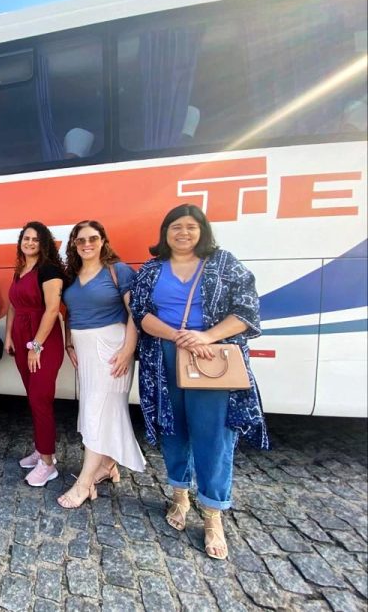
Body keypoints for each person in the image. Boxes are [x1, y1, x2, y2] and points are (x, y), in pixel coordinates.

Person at [130, 204, 267, 560]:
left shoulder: (224, 263)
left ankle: (212, 514)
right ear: (166, 232)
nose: (183, 233)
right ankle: (179, 497)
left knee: (214, 436)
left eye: (191, 226)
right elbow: (141, 314)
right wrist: (179, 336)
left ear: (202, 230)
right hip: (164, 357)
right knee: (172, 428)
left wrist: (205, 337)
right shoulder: (151, 269)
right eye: (176, 226)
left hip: (211, 357)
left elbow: (247, 312)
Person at [59, 220, 147, 508]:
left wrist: (128, 350)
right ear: (74, 244)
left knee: (97, 411)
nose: (87, 244)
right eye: (81, 240)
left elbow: (135, 313)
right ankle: (107, 465)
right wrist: (69, 343)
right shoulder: (72, 275)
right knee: (96, 409)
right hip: (85, 352)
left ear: (103, 241)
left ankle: (84, 483)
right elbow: (70, 312)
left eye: (93, 238)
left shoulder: (118, 270)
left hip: (112, 348)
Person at [4, 221, 65, 487]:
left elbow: (52, 310)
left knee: (41, 399)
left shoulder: (49, 269)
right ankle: (41, 450)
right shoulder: (20, 270)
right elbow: (13, 306)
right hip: (21, 337)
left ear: (44, 244)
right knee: (33, 398)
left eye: (35, 239)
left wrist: (36, 346)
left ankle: (48, 464)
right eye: (26, 238)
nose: (29, 243)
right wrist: (9, 336)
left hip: (43, 340)